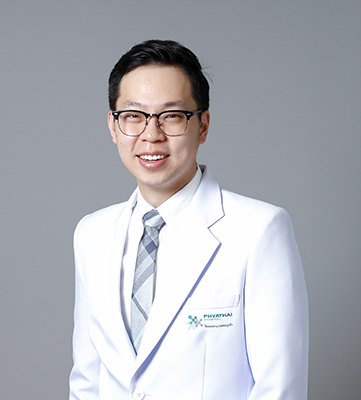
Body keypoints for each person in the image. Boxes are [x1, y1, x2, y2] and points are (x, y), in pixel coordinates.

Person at [69, 39, 309, 400]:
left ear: (203, 125)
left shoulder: (259, 230)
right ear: (113, 126)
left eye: (172, 116)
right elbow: (87, 381)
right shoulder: (92, 233)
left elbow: (280, 388)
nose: (151, 135)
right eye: (133, 116)